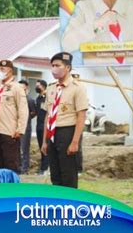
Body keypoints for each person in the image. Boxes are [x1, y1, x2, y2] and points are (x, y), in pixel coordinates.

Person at [41, 52, 88, 188]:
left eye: (58, 65)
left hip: (67, 132)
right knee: (55, 174)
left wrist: (75, 142)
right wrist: (44, 141)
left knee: (68, 174)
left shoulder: (77, 88)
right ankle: (58, 205)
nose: (54, 69)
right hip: (51, 133)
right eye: (52, 65)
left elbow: (81, 116)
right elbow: (48, 116)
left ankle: (70, 205)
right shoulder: (51, 88)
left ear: (67, 68)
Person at [18, 79, 37, 174]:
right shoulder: (16, 98)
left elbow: (34, 112)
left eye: (23, 86)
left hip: (26, 127)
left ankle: (25, 167)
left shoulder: (29, 99)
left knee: (24, 148)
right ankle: (17, 166)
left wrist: (27, 118)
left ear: (26, 88)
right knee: (16, 148)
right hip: (15, 127)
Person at [35, 79, 49, 175]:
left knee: (46, 147)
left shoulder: (47, 97)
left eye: (38, 85)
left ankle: (45, 168)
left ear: (43, 86)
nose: (36, 87)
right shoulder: (38, 98)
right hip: (39, 125)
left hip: (46, 125)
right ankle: (43, 166)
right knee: (41, 146)